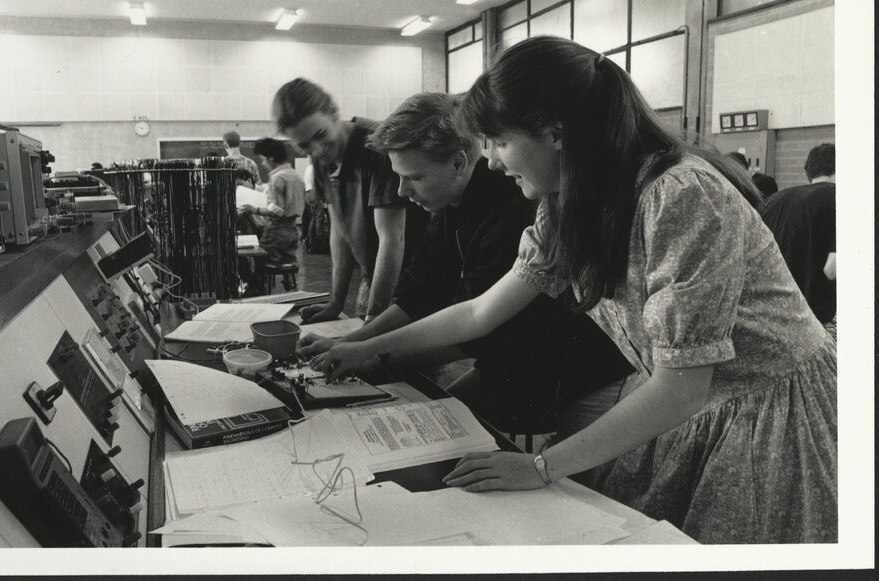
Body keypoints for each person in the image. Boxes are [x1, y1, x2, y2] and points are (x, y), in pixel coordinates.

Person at [313, 36, 837, 544]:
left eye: (500, 142)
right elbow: (478, 313)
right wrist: (365, 348)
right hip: (694, 408)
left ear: (556, 133)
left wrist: (540, 466)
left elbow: (682, 387)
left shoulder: (681, 195)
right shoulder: (566, 202)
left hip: (769, 415)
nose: (491, 161)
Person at [298, 92, 634, 434]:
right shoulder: (451, 205)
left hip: (573, 374)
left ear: (458, 163)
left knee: (448, 432)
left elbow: (477, 329)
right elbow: (422, 290)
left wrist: (373, 356)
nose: (401, 191)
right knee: (440, 423)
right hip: (512, 361)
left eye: (414, 177)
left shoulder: (515, 209)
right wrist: (355, 342)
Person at [272, 78, 426, 323]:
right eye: (305, 146)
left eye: (320, 135)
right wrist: (336, 302)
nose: (317, 149)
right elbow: (340, 231)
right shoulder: (322, 157)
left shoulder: (377, 146)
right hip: (372, 276)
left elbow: (392, 239)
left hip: (415, 283)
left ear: (333, 113)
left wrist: (374, 317)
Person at [760, 143, 836, 328]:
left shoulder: (774, 200)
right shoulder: (843, 199)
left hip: (769, 314)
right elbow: (832, 269)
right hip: (816, 320)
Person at [240, 137, 305, 266]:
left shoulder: (277, 178)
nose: (263, 164)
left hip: (277, 231)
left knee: (257, 262)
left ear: (271, 158)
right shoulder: (296, 175)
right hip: (294, 230)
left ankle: (259, 279)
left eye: (263, 159)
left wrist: (254, 209)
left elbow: (277, 211)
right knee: (286, 263)